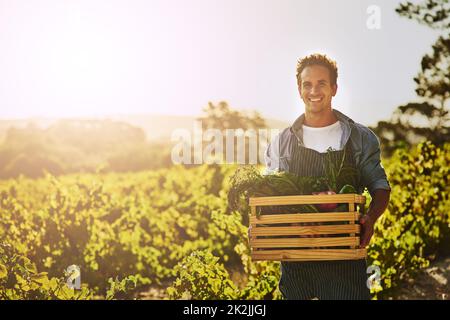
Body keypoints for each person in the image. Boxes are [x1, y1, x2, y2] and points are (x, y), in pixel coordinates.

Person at [260, 53, 391, 300]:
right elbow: (270, 193)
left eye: (321, 83)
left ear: (334, 88)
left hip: (345, 254)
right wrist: (260, 223)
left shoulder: (360, 138)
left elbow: (380, 186)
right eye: (307, 84)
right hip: (297, 255)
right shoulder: (282, 143)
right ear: (299, 90)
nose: (314, 90)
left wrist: (371, 218)